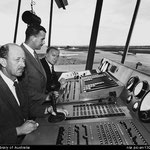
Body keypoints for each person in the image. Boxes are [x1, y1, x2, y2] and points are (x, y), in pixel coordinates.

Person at [0, 43, 54, 144]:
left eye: (23, 60)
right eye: (17, 60)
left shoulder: (19, 82)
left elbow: (27, 108)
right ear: (3, 62)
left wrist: (48, 109)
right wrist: (19, 130)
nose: (23, 65)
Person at [19, 24, 52, 104]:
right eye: (42, 39)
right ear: (33, 38)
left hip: (39, 102)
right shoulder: (20, 55)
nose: (44, 42)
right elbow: (23, 89)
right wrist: (46, 97)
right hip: (30, 106)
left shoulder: (33, 53)